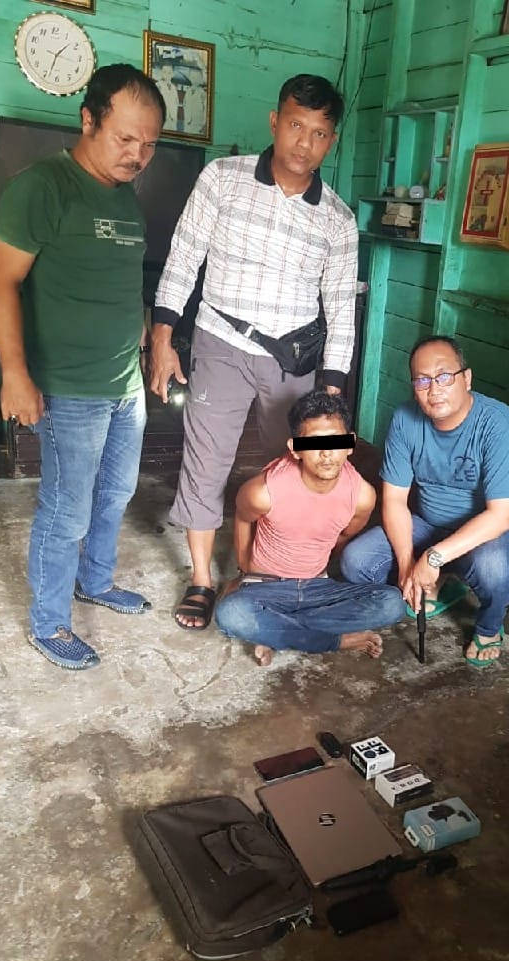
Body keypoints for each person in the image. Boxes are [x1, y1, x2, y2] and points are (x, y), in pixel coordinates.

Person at [149, 73, 358, 632]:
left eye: (319, 133)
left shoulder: (338, 219)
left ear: (331, 140)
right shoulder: (223, 178)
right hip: (220, 341)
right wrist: (163, 337)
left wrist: (331, 392)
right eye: (295, 125)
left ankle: (273, 572)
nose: (304, 143)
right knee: (206, 461)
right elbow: (183, 258)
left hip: (294, 362)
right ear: (274, 121)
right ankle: (201, 579)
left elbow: (341, 310)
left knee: (295, 468)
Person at [0, 65, 165, 670]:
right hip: (69, 389)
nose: (137, 155)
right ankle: (49, 623)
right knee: (67, 509)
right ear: (88, 120)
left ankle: (96, 581)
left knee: (116, 493)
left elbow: (122, 285)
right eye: (125, 138)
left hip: (124, 384)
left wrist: (145, 346)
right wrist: (15, 374)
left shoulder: (126, 197)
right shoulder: (42, 187)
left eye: (149, 144)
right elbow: (1, 281)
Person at [340, 335, 509, 666]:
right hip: (429, 524)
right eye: (422, 380)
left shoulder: (499, 424)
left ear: (466, 378)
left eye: (444, 377)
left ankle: (489, 627)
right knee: (356, 562)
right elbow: (394, 501)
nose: (434, 389)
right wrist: (406, 567)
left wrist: (431, 558)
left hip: (489, 534)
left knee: (493, 568)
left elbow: (502, 516)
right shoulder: (405, 419)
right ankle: (441, 584)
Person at [214, 391, 405, 665]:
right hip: (267, 585)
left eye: (336, 442)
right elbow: (243, 518)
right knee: (231, 614)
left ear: (350, 444)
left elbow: (345, 535)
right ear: (295, 449)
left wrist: (316, 563)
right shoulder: (263, 491)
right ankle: (335, 640)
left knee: (392, 603)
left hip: (317, 584)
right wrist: (245, 568)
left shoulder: (362, 496)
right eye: (314, 443)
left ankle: (275, 633)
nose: (326, 454)